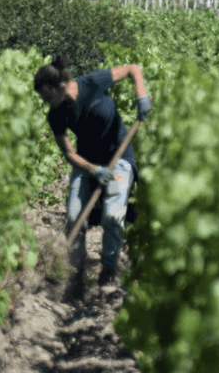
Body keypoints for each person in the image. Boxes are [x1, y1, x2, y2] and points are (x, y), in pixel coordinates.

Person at [34, 53, 152, 299]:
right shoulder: (56, 115)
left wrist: (140, 95)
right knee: (75, 217)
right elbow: (68, 153)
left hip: (118, 157)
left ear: (61, 86)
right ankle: (74, 276)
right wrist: (93, 170)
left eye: (47, 96)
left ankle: (108, 270)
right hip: (87, 162)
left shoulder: (93, 82)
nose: (46, 102)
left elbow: (132, 68)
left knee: (112, 214)